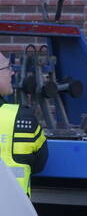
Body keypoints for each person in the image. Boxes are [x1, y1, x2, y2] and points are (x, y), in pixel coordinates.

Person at [0, 53, 47, 198]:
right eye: (8, 68)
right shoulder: (21, 118)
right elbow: (39, 164)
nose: (12, 72)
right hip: (11, 206)